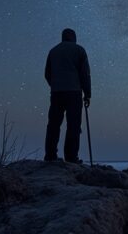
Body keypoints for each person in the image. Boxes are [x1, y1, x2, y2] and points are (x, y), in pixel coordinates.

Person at [43, 28, 91, 163]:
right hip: (74, 92)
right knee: (74, 125)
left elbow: (47, 73)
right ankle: (71, 157)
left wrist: (55, 85)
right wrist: (87, 94)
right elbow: (85, 74)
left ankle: (50, 155)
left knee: (53, 124)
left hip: (57, 93)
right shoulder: (79, 50)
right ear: (73, 37)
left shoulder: (53, 51)